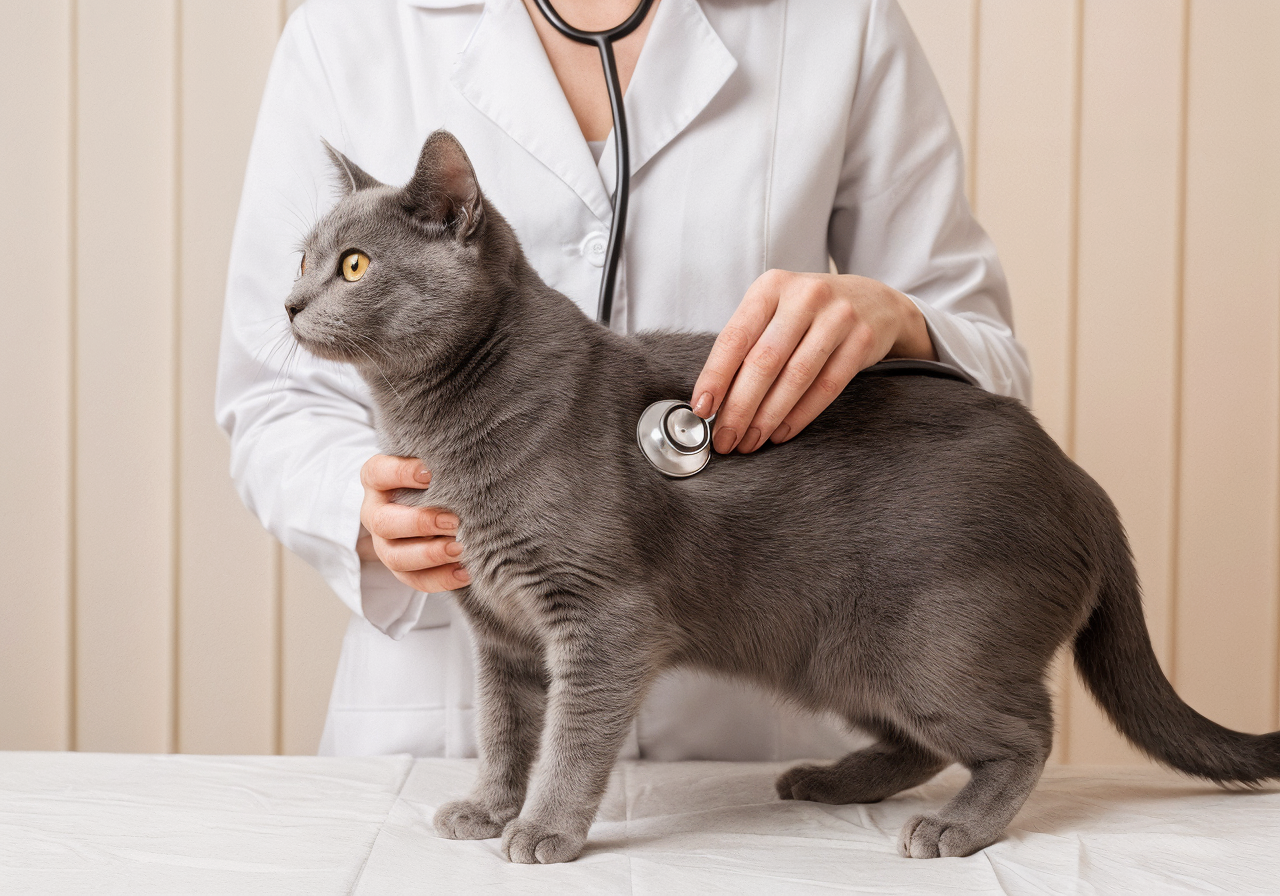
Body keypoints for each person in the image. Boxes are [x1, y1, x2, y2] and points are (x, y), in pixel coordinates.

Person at [216, 0, 1030, 759]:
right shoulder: (351, 28)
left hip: (747, 706)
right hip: (447, 717)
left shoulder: (837, 21)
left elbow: (988, 368)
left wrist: (897, 319)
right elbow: (269, 392)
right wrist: (357, 507)